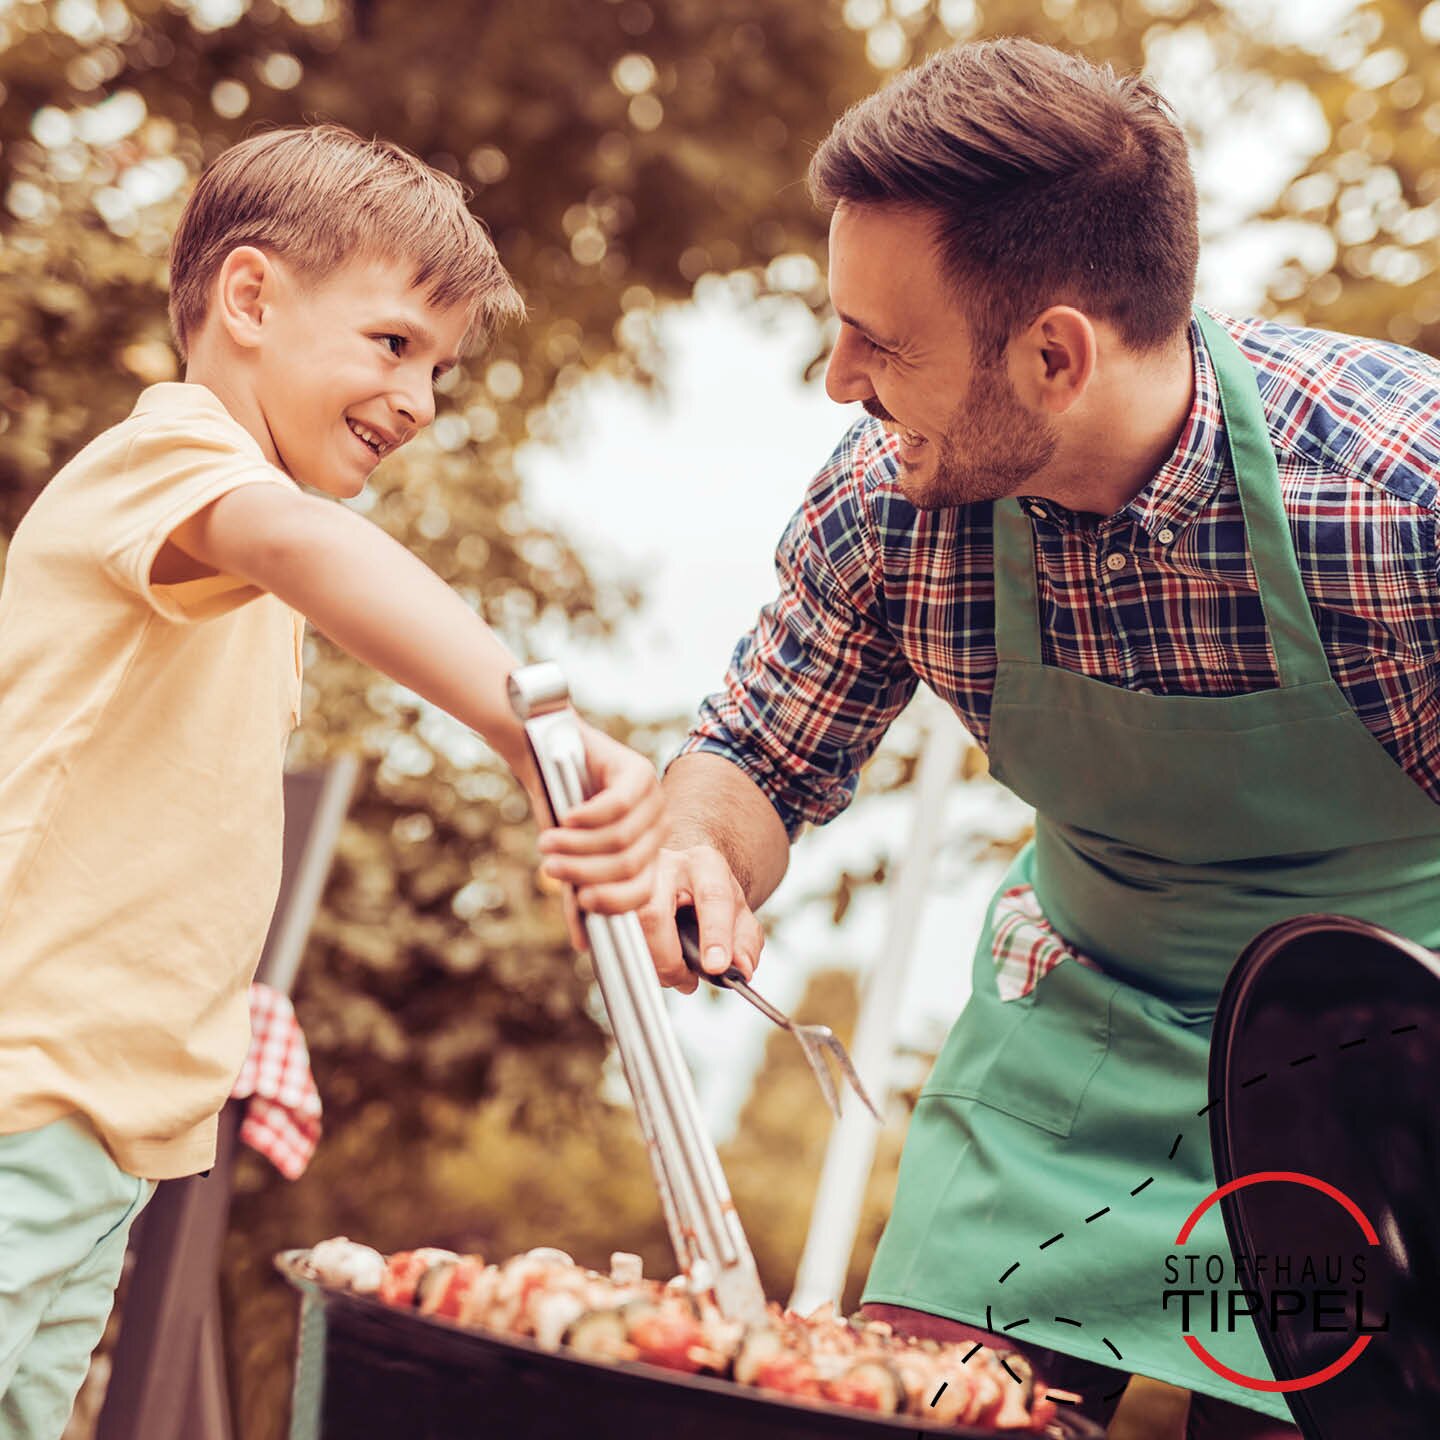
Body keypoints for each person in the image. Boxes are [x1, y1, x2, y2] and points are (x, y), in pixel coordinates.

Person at [563, 35, 1440, 1436]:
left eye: (879, 340)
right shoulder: (891, 503)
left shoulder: (1400, 504)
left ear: (1054, 355)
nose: (836, 375)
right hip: (1069, 1059)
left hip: (1376, 1085)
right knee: (894, 1415)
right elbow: (756, 758)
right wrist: (692, 854)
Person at [0, 124, 667, 1439]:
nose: (422, 400)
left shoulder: (229, 551)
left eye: (442, 368)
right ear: (249, 299)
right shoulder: (178, 461)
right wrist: (535, 731)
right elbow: (307, 544)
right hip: (27, 1091)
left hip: (110, 1127)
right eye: (393, 345)